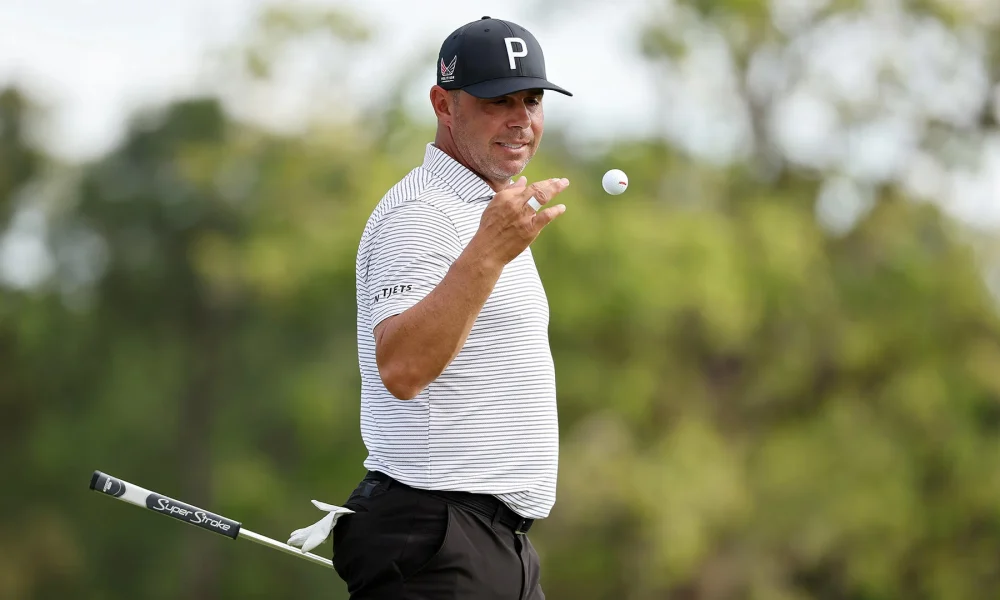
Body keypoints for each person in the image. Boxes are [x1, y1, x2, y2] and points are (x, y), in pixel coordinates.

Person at [333, 16, 572, 600]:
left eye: (532, 100)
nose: (521, 119)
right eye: (498, 101)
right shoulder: (420, 214)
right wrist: (487, 252)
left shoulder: (489, 212)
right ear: (444, 104)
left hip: (492, 545)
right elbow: (402, 368)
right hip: (436, 535)